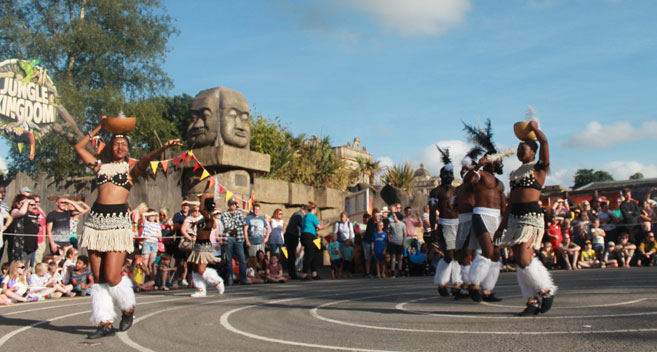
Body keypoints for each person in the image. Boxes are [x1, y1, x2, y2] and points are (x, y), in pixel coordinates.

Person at [74, 116, 181, 338]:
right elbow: (79, 147)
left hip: (118, 224)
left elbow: (146, 159)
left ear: (128, 149)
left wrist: (163, 147)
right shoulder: (100, 167)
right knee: (99, 278)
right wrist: (99, 127)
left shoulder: (131, 171)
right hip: (95, 222)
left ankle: (128, 307)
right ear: (110, 147)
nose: (120, 146)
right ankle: (104, 323)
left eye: (124, 144)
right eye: (116, 143)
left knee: (112, 276)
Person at [495, 121, 556, 315]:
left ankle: (546, 290)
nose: (521, 151)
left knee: (524, 257)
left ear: (533, 152)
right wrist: (501, 226)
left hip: (531, 218)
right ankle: (530, 302)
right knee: (519, 261)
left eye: (525, 148)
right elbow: (510, 202)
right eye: (519, 148)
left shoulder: (539, 169)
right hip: (514, 217)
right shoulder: (514, 174)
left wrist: (535, 128)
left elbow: (545, 143)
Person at [463, 120, 507, 303]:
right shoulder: (481, 175)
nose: (502, 162)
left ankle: (488, 289)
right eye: (499, 160)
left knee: (496, 254)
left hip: (497, 218)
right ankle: (473, 284)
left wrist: (505, 224)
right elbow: (467, 180)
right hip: (481, 215)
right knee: (487, 251)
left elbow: (504, 206)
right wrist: (478, 166)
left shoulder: (500, 183)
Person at [452, 147, 483, 299]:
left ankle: (478, 283)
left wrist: (475, 169)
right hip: (462, 221)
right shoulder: (458, 189)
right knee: (462, 253)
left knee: (477, 251)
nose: (463, 171)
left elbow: (473, 179)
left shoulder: (475, 183)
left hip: (476, 219)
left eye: (466, 169)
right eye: (462, 169)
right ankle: (466, 283)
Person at [186, 194, 225, 297]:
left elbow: (202, 209)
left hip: (204, 245)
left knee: (201, 269)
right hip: (197, 245)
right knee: (195, 268)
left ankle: (217, 281)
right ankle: (200, 290)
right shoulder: (202, 219)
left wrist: (203, 198)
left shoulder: (209, 219)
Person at [220, 198, 250, 285]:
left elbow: (243, 222)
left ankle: (243, 278)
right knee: (229, 259)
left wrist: (233, 225)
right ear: (229, 205)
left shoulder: (239, 213)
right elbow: (226, 225)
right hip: (228, 238)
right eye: (232, 204)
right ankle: (230, 278)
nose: (233, 206)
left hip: (239, 238)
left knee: (242, 259)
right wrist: (235, 225)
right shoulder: (225, 214)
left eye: (234, 204)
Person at [300, 201, 329, 280]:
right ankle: (304, 274)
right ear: (314, 209)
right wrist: (327, 224)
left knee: (311, 254)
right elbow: (319, 227)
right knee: (310, 255)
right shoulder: (312, 216)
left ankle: (314, 273)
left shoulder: (305, 217)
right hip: (309, 236)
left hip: (304, 236)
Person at [172, 200, 192, 287]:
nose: (185, 207)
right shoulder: (177, 215)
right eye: (184, 206)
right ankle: (176, 279)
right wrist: (184, 226)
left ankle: (184, 279)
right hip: (180, 240)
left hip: (189, 241)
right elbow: (175, 226)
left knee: (187, 262)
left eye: (187, 206)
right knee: (178, 262)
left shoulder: (191, 215)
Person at [283, 206, 306, 280]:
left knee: (291, 255)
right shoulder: (300, 215)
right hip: (292, 236)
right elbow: (302, 225)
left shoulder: (295, 214)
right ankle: (292, 273)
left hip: (289, 235)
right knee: (292, 255)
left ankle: (292, 272)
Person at [141, 209, 162, 279]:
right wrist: (152, 213)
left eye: (153, 216)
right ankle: (142, 280)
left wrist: (151, 235)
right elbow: (143, 214)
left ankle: (152, 280)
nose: (152, 217)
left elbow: (159, 235)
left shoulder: (157, 225)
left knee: (152, 263)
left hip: (154, 243)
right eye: (150, 216)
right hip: (147, 243)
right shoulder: (146, 223)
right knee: (145, 262)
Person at [387, 211, 407, 278]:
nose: (393, 217)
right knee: (393, 257)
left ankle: (400, 271)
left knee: (400, 257)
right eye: (393, 216)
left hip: (400, 243)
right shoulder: (391, 224)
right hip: (393, 242)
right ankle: (393, 271)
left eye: (394, 216)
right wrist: (389, 239)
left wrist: (404, 242)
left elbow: (405, 234)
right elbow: (388, 232)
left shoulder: (402, 224)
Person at [362, 210, 379, 279]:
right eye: (376, 215)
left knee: (373, 257)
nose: (377, 217)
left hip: (373, 242)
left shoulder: (377, 223)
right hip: (367, 241)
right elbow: (371, 217)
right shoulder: (371, 222)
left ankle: (374, 272)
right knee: (368, 257)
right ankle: (367, 272)